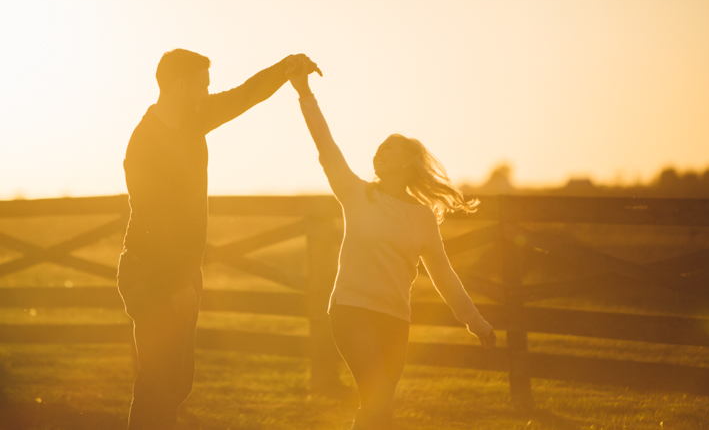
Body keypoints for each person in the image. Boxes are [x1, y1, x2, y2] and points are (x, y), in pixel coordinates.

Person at [286, 59, 496, 430]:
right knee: (378, 398)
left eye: (389, 150)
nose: (378, 154)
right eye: (377, 150)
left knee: (377, 408)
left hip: (396, 321)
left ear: (407, 164)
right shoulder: (356, 194)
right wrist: (304, 93)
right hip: (352, 311)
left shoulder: (423, 218)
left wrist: (474, 321)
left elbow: (444, 276)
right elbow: (326, 144)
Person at [117, 49, 311, 430]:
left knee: (177, 382)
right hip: (150, 273)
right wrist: (176, 285)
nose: (209, 92)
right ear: (179, 86)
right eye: (203, 85)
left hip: (183, 272)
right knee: (157, 382)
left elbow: (243, 96)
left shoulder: (194, 119)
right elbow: (151, 220)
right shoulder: (143, 145)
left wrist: (286, 68)